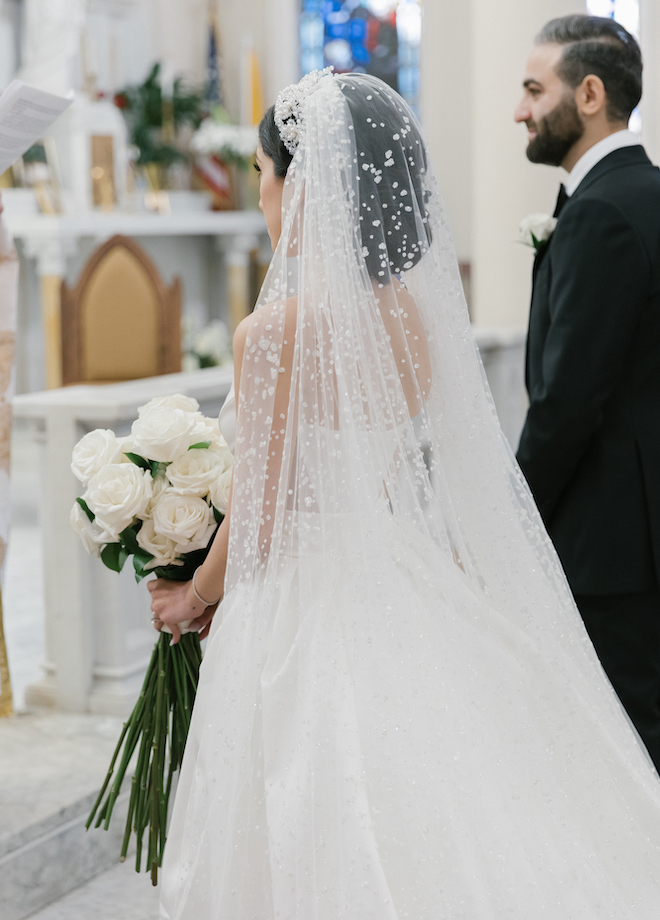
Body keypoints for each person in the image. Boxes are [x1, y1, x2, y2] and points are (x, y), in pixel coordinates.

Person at [150, 70, 660, 919]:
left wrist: (194, 596)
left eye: (266, 174)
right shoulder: (415, 319)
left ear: (305, 185)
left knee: (305, 803)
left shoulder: (272, 333)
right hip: (393, 569)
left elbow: (266, 509)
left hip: (302, 599)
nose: (264, 194)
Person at [514, 15, 660, 772]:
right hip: (642, 526)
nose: (521, 110)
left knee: (627, 752)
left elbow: (569, 402)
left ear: (592, 93)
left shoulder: (601, 212)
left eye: (535, 90)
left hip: (611, 543)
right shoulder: (646, 192)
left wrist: (513, 519)